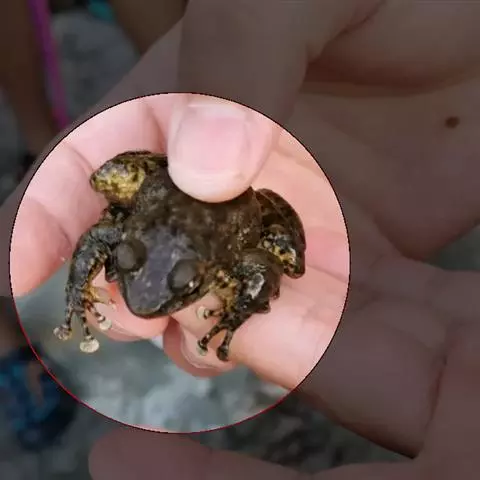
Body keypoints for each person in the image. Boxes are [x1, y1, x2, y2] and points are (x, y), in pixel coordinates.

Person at [9, 0, 480, 478]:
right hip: (168, 192)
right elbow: (102, 236)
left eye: (184, 285)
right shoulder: (127, 235)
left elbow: (259, 271)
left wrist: (236, 310)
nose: (140, 294)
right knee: (109, 182)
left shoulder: (231, 262)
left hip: (239, 209)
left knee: (286, 261)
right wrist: (81, 288)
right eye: (131, 260)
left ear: (211, 271)